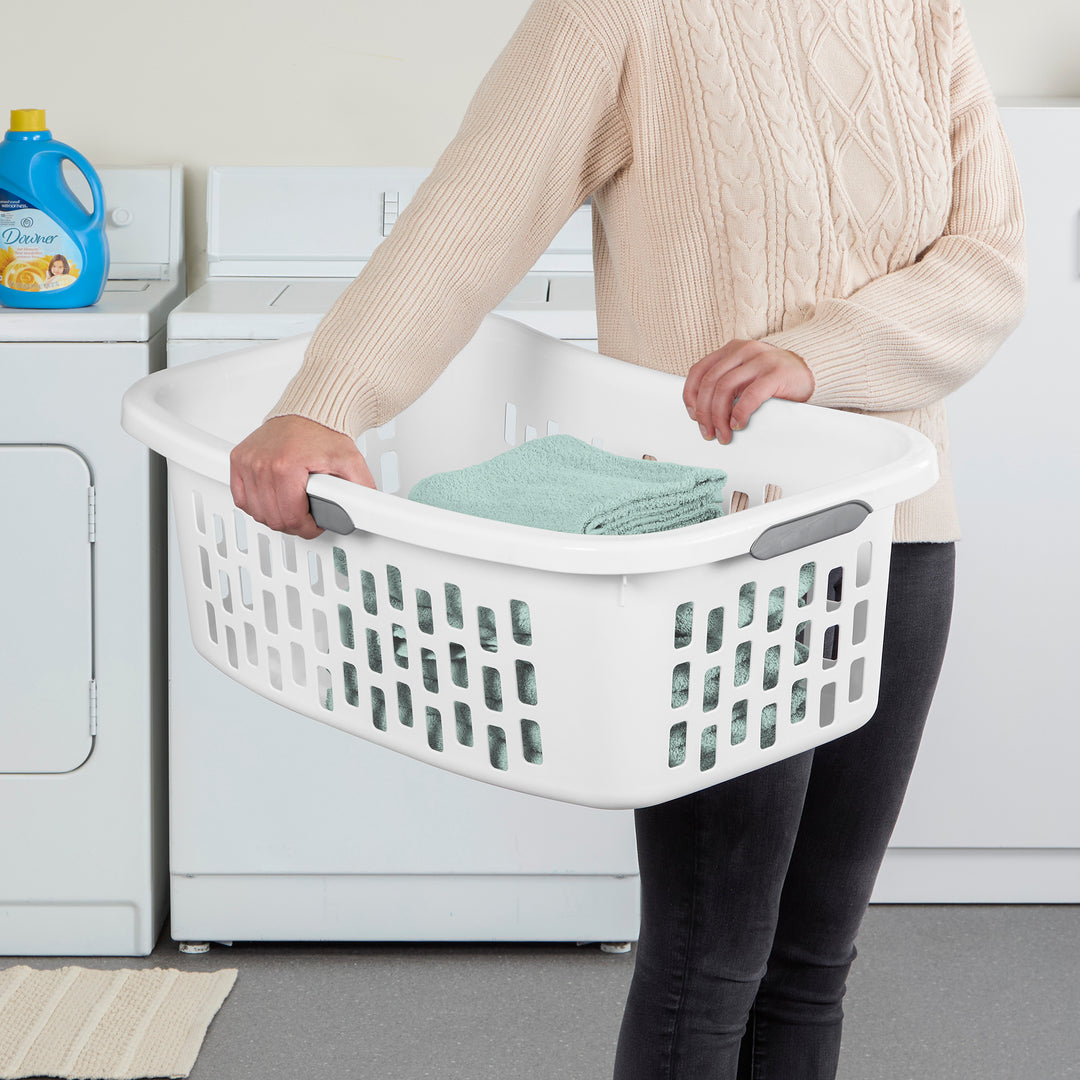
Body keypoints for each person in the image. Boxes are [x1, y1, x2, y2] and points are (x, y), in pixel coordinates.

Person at [230, 0, 1026, 1076]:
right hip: (715, 559)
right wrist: (325, 400)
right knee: (712, 962)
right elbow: (471, 218)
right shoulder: (619, 15)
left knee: (813, 961)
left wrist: (819, 356)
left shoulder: (921, 16)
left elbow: (987, 262)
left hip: (900, 537)